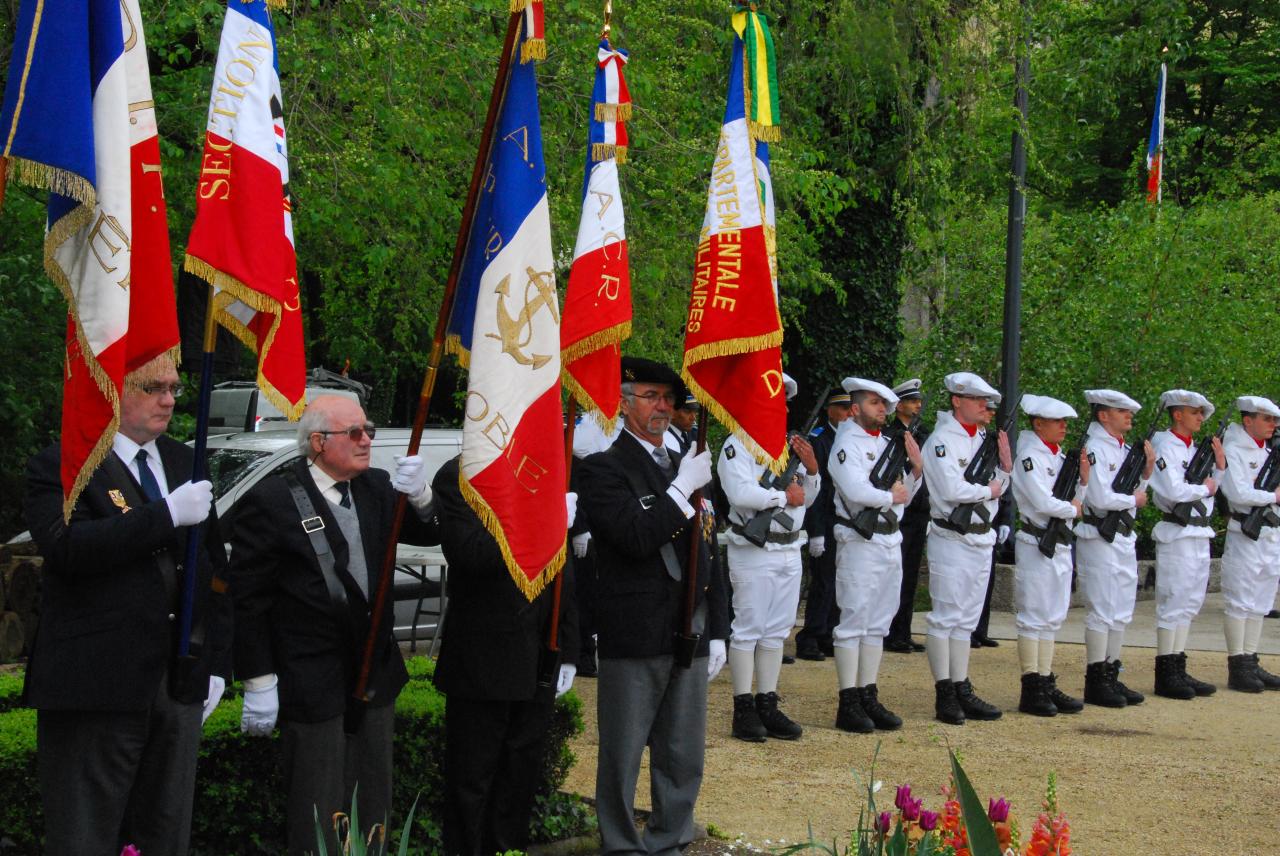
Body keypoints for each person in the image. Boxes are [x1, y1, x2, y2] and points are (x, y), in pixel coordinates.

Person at [22, 353, 232, 855]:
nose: (168, 400)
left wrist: (217, 661)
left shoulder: (185, 460)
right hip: (96, 683)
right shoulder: (65, 462)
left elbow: (216, 569)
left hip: (176, 680)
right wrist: (163, 515)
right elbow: (67, 547)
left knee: (166, 831)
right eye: (152, 387)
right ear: (113, 391)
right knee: (85, 835)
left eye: (174, 389)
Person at [228, 395, 439, 855]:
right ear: (319, 442)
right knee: (318, 810)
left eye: (369, 430)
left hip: (375, 674)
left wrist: (422, 496)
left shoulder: (378, 488)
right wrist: (259, 678)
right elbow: (248, 602)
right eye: (355, 434)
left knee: (374, 805)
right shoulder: (272, 501)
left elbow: (433, 531)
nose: (367, 441)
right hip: (311, 676)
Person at [578, 357, 730, 856]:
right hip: (636, 627)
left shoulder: (690, 461)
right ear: (622, 403)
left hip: (690, 625)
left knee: (683, 752)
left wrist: (720, 628)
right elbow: (635, 536)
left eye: (669, 398)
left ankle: (671, 837)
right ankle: (621, 844)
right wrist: (681, 488)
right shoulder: (603, 469)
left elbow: (710, 549)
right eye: (650, 396)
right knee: (622, 753)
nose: (663, 407)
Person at [432, 455, 579, 854]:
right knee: (472, 781)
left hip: (539, 651)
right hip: (484, 655)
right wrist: (542, 521)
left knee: (520, 776)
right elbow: (472, 554)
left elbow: (563, 571)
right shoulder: (461, 475)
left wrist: (567, 644)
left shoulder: (545, 467)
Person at [718, 374, 820, 742]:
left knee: (777, 632)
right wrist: (781, 497)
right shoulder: (737, 445)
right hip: (754, 548)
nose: (781, 407)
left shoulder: (788, 447)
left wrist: (811, 471)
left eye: (782, 402)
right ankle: (743, 707)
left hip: (789, 547)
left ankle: (768, 702)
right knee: (748, 630)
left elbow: (807, 497)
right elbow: (740, 492)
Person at [827, 378, 922, 732]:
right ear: (854, 408)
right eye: (873, 403)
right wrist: (890, 497)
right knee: (854, 621)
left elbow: (905, 495)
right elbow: (854, 489)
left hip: (888, 540)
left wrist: (915, 470)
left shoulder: (887, 444)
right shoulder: (845, 445)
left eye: (885, 404)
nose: (882, 409)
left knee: (878, 623)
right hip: (859, 540)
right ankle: (847, 700)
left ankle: (868, 694)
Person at [919, 372, 1010, 725]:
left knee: (967, 620)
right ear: (957, 401)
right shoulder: (943, 441)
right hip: (952, 537)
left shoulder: (982, 440)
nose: (984, 407)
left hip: (980, 538)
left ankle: (961, 686)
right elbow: (953, 490)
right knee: (946, 617)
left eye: (986, 402)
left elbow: (1003, 484)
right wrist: (990, 489)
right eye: (977, 401)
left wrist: (1004, 468)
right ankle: (945, 693)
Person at [1008, 395, 1089, 717]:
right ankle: (1032, 685)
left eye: (1066, 423)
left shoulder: (1058, 457)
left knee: (1053, 616)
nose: (1064, 428)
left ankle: (1045, 678)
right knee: (1034, 615)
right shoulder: (1030, 457)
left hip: (1059, 541)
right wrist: (1072, 507)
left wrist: (1082, 482)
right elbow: (1043, 502)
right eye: (1058, 422)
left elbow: (1074, 502)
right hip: (1036, 541)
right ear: (1038, 423)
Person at [1076, 389, 1155, 708]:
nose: (1129, 416)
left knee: (1121, 609)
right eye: (1120, 411)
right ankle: (1096, 679)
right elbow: (1099, 498)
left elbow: (1135, 492)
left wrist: (1146, 475)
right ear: (1103, 415)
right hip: (1099, 536)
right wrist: (1134, 498)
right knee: (1102, 608)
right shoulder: (1095, 448)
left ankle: (1111, 672)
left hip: (1122, 536)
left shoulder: (1122, 448)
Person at [1147, 389, 1223, 699]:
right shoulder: (1166, 445)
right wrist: (1204, 488)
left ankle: (1178, 666)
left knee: (1190, 602)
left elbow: (1213, 486)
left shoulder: (1193, 448)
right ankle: (1166, 673)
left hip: (1198, 533)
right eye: (1195, 413)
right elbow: (1174, 489)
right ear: (1177, 414)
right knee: (1173, 600)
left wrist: (1219, 466)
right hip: (1177, 532)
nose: (1201, 418)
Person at [1215, 396, 1280, 692]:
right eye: (1267, 419)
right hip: (1246, 532)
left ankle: (1251, 660)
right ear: (1247, 420)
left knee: (1261, 601)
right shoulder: (1234, 450)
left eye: (1274, 420)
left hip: (1270, 533)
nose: (1273, 425)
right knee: (1240, 599)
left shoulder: (1267, 450)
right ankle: (1237, 665)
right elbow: (1237, 493)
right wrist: (1274, 497)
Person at [796, 389, 853, 661]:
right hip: (825, 519)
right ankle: (811, 636)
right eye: (841, 408)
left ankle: (829, 632)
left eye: (849, 408)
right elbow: (816, 491)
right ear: (829, 411)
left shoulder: (850, 440)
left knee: (839, 581)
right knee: (823, 582)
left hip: (845, 520)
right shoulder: (819, 440)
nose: (846, 414)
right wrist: (816, 531)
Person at [885, 379, 931, 654]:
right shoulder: (891, 434)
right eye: (912, 401)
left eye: (918, 401)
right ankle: (891, 632)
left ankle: (904, 630)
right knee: (896, 575)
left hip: (919, 511)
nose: (918, 405)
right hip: (900, 511)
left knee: (911, 574)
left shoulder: (922, 433)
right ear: (899, 405)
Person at [972, 396, 1010, 649]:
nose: (990, 414)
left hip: (990, 515)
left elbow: (1004, 483)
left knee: (986, 578)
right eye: (987, 409)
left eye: (992, 411)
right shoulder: (969, 442)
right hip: (969, 516)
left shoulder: (992, 441)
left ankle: (981, 628)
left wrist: (1005, 518)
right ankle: (971, 631)